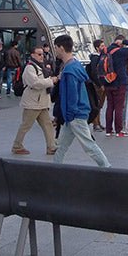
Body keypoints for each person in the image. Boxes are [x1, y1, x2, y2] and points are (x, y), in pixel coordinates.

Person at [52, 34, 110, 167]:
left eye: (56, 47)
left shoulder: (69, 70)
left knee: (89, 145)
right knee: (61, 145)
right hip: (73, 115)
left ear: (61, 48)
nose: (55, 50)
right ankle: (54, 169)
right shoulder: (75, 65)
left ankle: (107, 168)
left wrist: (70, 115)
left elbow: (72, 96)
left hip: (75, 115)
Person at [12, 46, 58, 156]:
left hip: (41, 102)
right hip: (33, 102)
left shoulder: (39, 66)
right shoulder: (30, 68)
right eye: (39, 54)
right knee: (26, 125)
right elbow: (35, 83)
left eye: (42, 54)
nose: (42, 56)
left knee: (48, 124)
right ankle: (17, 146)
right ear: (32, 55)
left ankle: (51, 147)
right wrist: (51, 81)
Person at [103, 35, 128, 137]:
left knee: (110, 106)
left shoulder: (106, 51)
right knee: (119, 107)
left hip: (108, 82)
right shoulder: (120, 52)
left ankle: (108, 131)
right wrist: (125, 41)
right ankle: (119, 131)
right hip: (119, 82)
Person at [87, 39, 107, 132]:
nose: (104, 47)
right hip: (97, 84)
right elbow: (94, 72)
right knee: (97, 103)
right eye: (102, 46)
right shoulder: (95, 58)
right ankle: (96, 123)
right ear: (97, 48)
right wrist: (100, 84)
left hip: (99, 83)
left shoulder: (100, 57)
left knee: (99, 104)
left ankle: (98, 123)